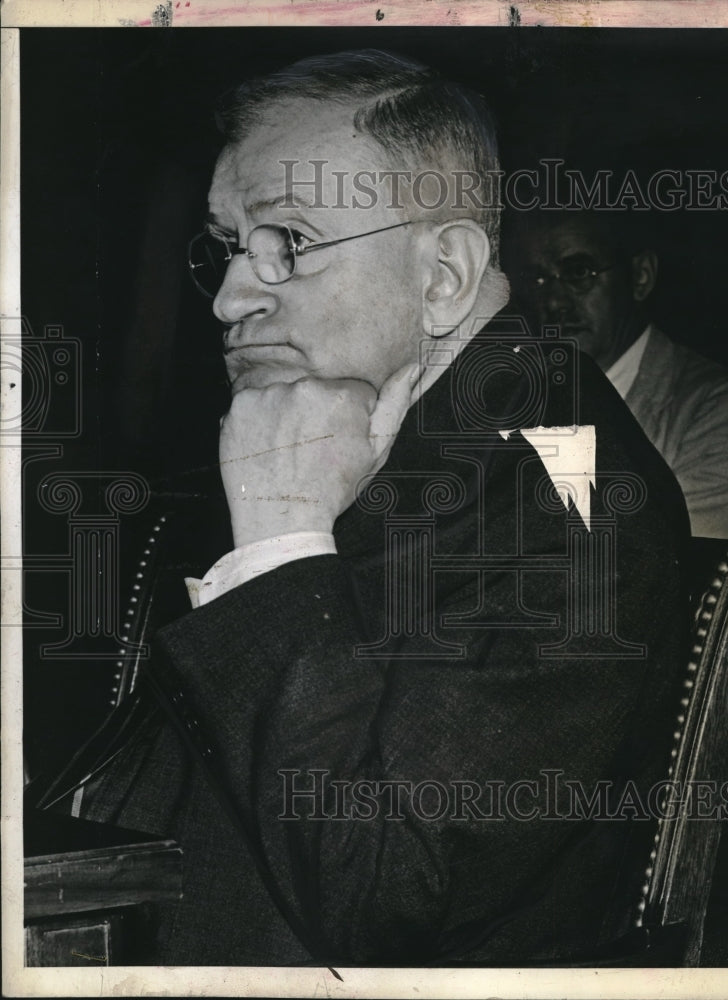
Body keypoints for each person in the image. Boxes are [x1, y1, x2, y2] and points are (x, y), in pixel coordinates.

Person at [36, 50, 690, 966]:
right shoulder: (366, 431)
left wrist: (279, 547)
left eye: (290, 242)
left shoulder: (569, 494)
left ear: (445, 277)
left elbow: (381, 897)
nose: (228, 299)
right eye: (228, 247)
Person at [511, 210, 728, 540]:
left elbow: (666, 565)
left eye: (578, 272)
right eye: (537, 279)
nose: (554, 302)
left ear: (640, 277)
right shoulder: (519, 400)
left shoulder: (724, 410)